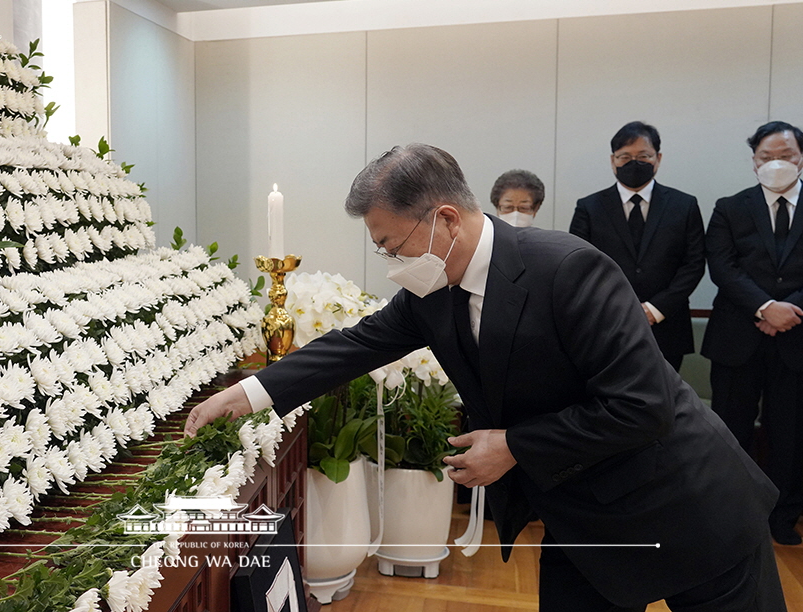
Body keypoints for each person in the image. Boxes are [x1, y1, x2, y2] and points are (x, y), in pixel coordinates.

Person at [186, 144, 784, 611]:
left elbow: (641, 407)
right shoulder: (434, 289)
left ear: (445, 219)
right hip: (584, 517)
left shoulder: (569, 270)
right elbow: (357, 345)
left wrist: (514, 446)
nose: (393, 263)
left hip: (688, 507)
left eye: (393, 246)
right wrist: (246, 394)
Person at [701, 120, 803, 546]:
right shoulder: (730, 206)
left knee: (791, 434)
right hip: (737, 337)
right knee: (729, 431)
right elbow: (722, 265)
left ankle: (783, 517)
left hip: (797, 339)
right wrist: (765, 307)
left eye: (787, 156)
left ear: (802, 158)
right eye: (767, 157)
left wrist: (788, 310)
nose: (776, 164)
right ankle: (730, 516)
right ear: (754, 160)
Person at [568, 121, 705, 371]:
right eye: (625, 157)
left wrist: (655, 309)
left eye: (643, 156)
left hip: (667, 325)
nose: (635, 163)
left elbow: (693, 265)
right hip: (606, 324)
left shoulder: (684, 205)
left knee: (666, 403)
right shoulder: (589, 207)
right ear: (613, 161)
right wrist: (619, 308)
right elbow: (579, 267)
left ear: (658, 158)